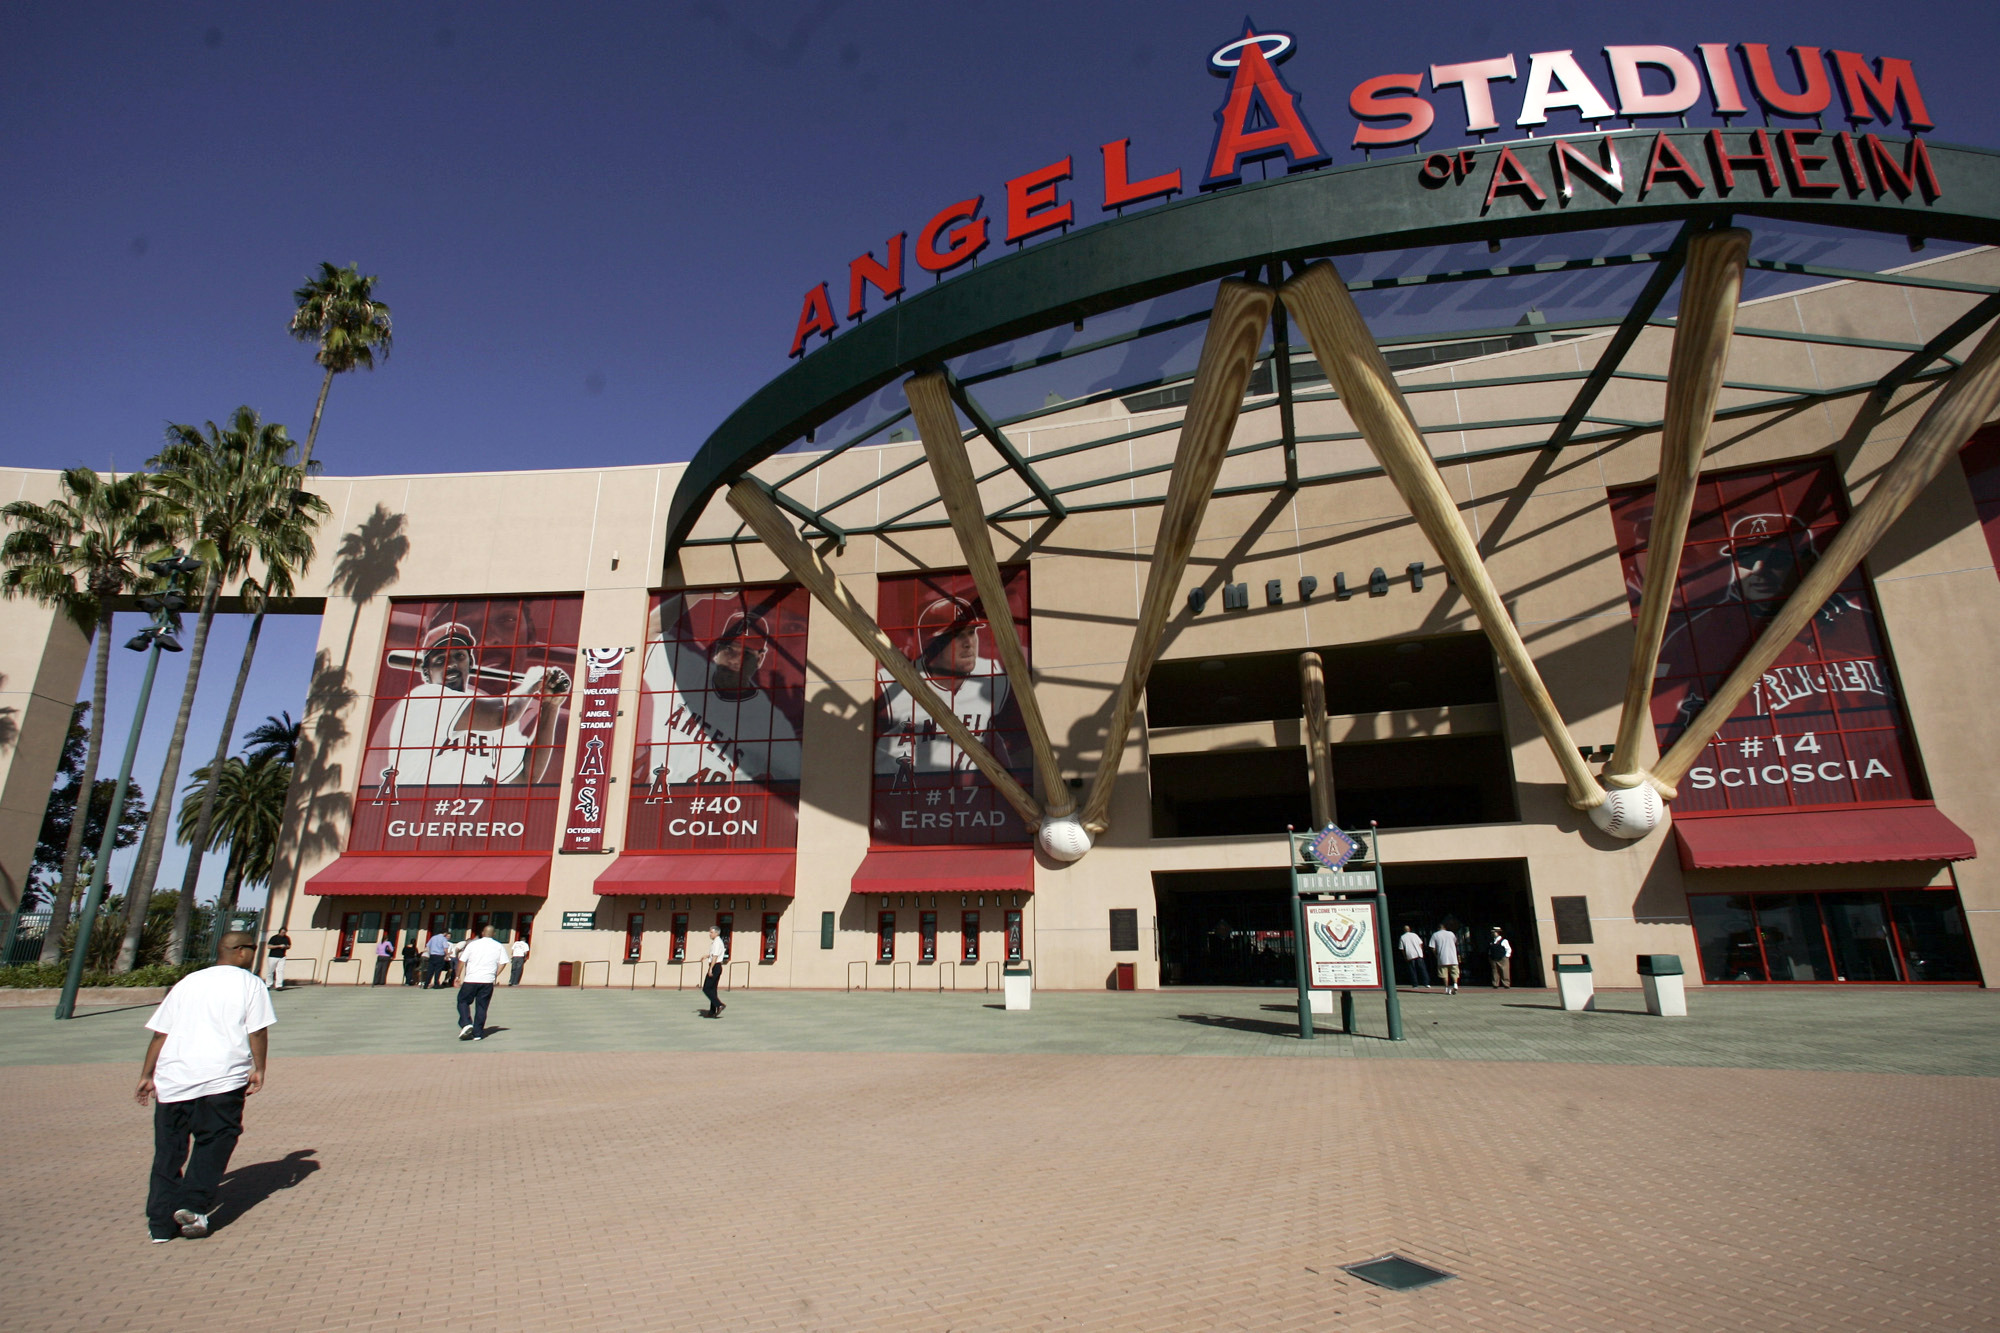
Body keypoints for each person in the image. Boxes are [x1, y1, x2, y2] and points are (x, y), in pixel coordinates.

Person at [134, 931, 275, 1243]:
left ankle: (159, 1224)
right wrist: (260, 1067)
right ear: (239, 951)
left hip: (174, 1078)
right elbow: (258, 1031)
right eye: (252, 948)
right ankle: (192, 1205)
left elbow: (160, 1034)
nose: (254, 953)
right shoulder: (249, 983)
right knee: (216, 1139)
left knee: (169, 1150)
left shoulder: (187, 982)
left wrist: (147, 1074)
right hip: (222, 1076)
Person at [378, 612, 571, 792]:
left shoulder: (493, 709)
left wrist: (550, 706)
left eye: (459, 656)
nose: (452, 664)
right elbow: (504, 715)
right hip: (415, 814)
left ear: (469, 664)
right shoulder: (424, 699)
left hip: (466, 818)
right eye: (440, 660)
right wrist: (530, 683)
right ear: (427, 674)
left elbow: (526, 777)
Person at [640, 599, 800, 796]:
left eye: (746, 654)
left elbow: (796, 782)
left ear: (759, 659)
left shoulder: (770, 721)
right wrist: (697, 593)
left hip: (718, 817)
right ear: (717, 649)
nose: (735, 659)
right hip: (654, 805)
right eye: (730, 649)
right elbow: (650, 628)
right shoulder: (687, 673)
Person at [455, 925, 509, 1040]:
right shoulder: (499, 946)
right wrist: (494, 975)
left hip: (471, 979)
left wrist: (457, 976)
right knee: (482, 1007)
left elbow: (462, 961)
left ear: (482, 933)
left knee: (463, 1001)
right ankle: (477, 1033)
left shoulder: (472, 945)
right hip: (487, 981)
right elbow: (503, 962)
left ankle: (466, 1023)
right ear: (494, 934)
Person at [700, 925, 727, 1018]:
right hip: (717, 966)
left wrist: (710, 968)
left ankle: (719, 1004)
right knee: (712, 989)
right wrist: (707, 956)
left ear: (716, 933)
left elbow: (715, 957)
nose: (710, 934)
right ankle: (712, 1011)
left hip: (715, 966)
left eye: (711, 932)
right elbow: (714, 954)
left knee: (706, 988)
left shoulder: (717, 942)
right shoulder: (716, 942)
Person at [1427, 922, 1460, 995]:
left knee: (1444, 974)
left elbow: (1432, 947)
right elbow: (1456, 942)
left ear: (1438, 928)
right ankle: (1455, 984)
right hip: (1453, 957)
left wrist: (1436, 955)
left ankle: (1447, 988)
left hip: (1442, 958)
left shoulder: (1435, 935)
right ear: (1445, 928)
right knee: (1454, 972)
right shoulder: (1451, 934)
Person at [1398, 924, 1431, 991]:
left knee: (1412, 970)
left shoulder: (1402, 937)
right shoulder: (1415, 935)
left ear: (1404, 930)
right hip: (1418, 954)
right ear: (1409, 929)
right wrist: (1421, 952)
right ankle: (1426, 983)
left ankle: (1415, 984)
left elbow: (1402, 949)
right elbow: (1420, 944)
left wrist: (1405, 956)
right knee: (1422, 969)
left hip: (1409, 955)